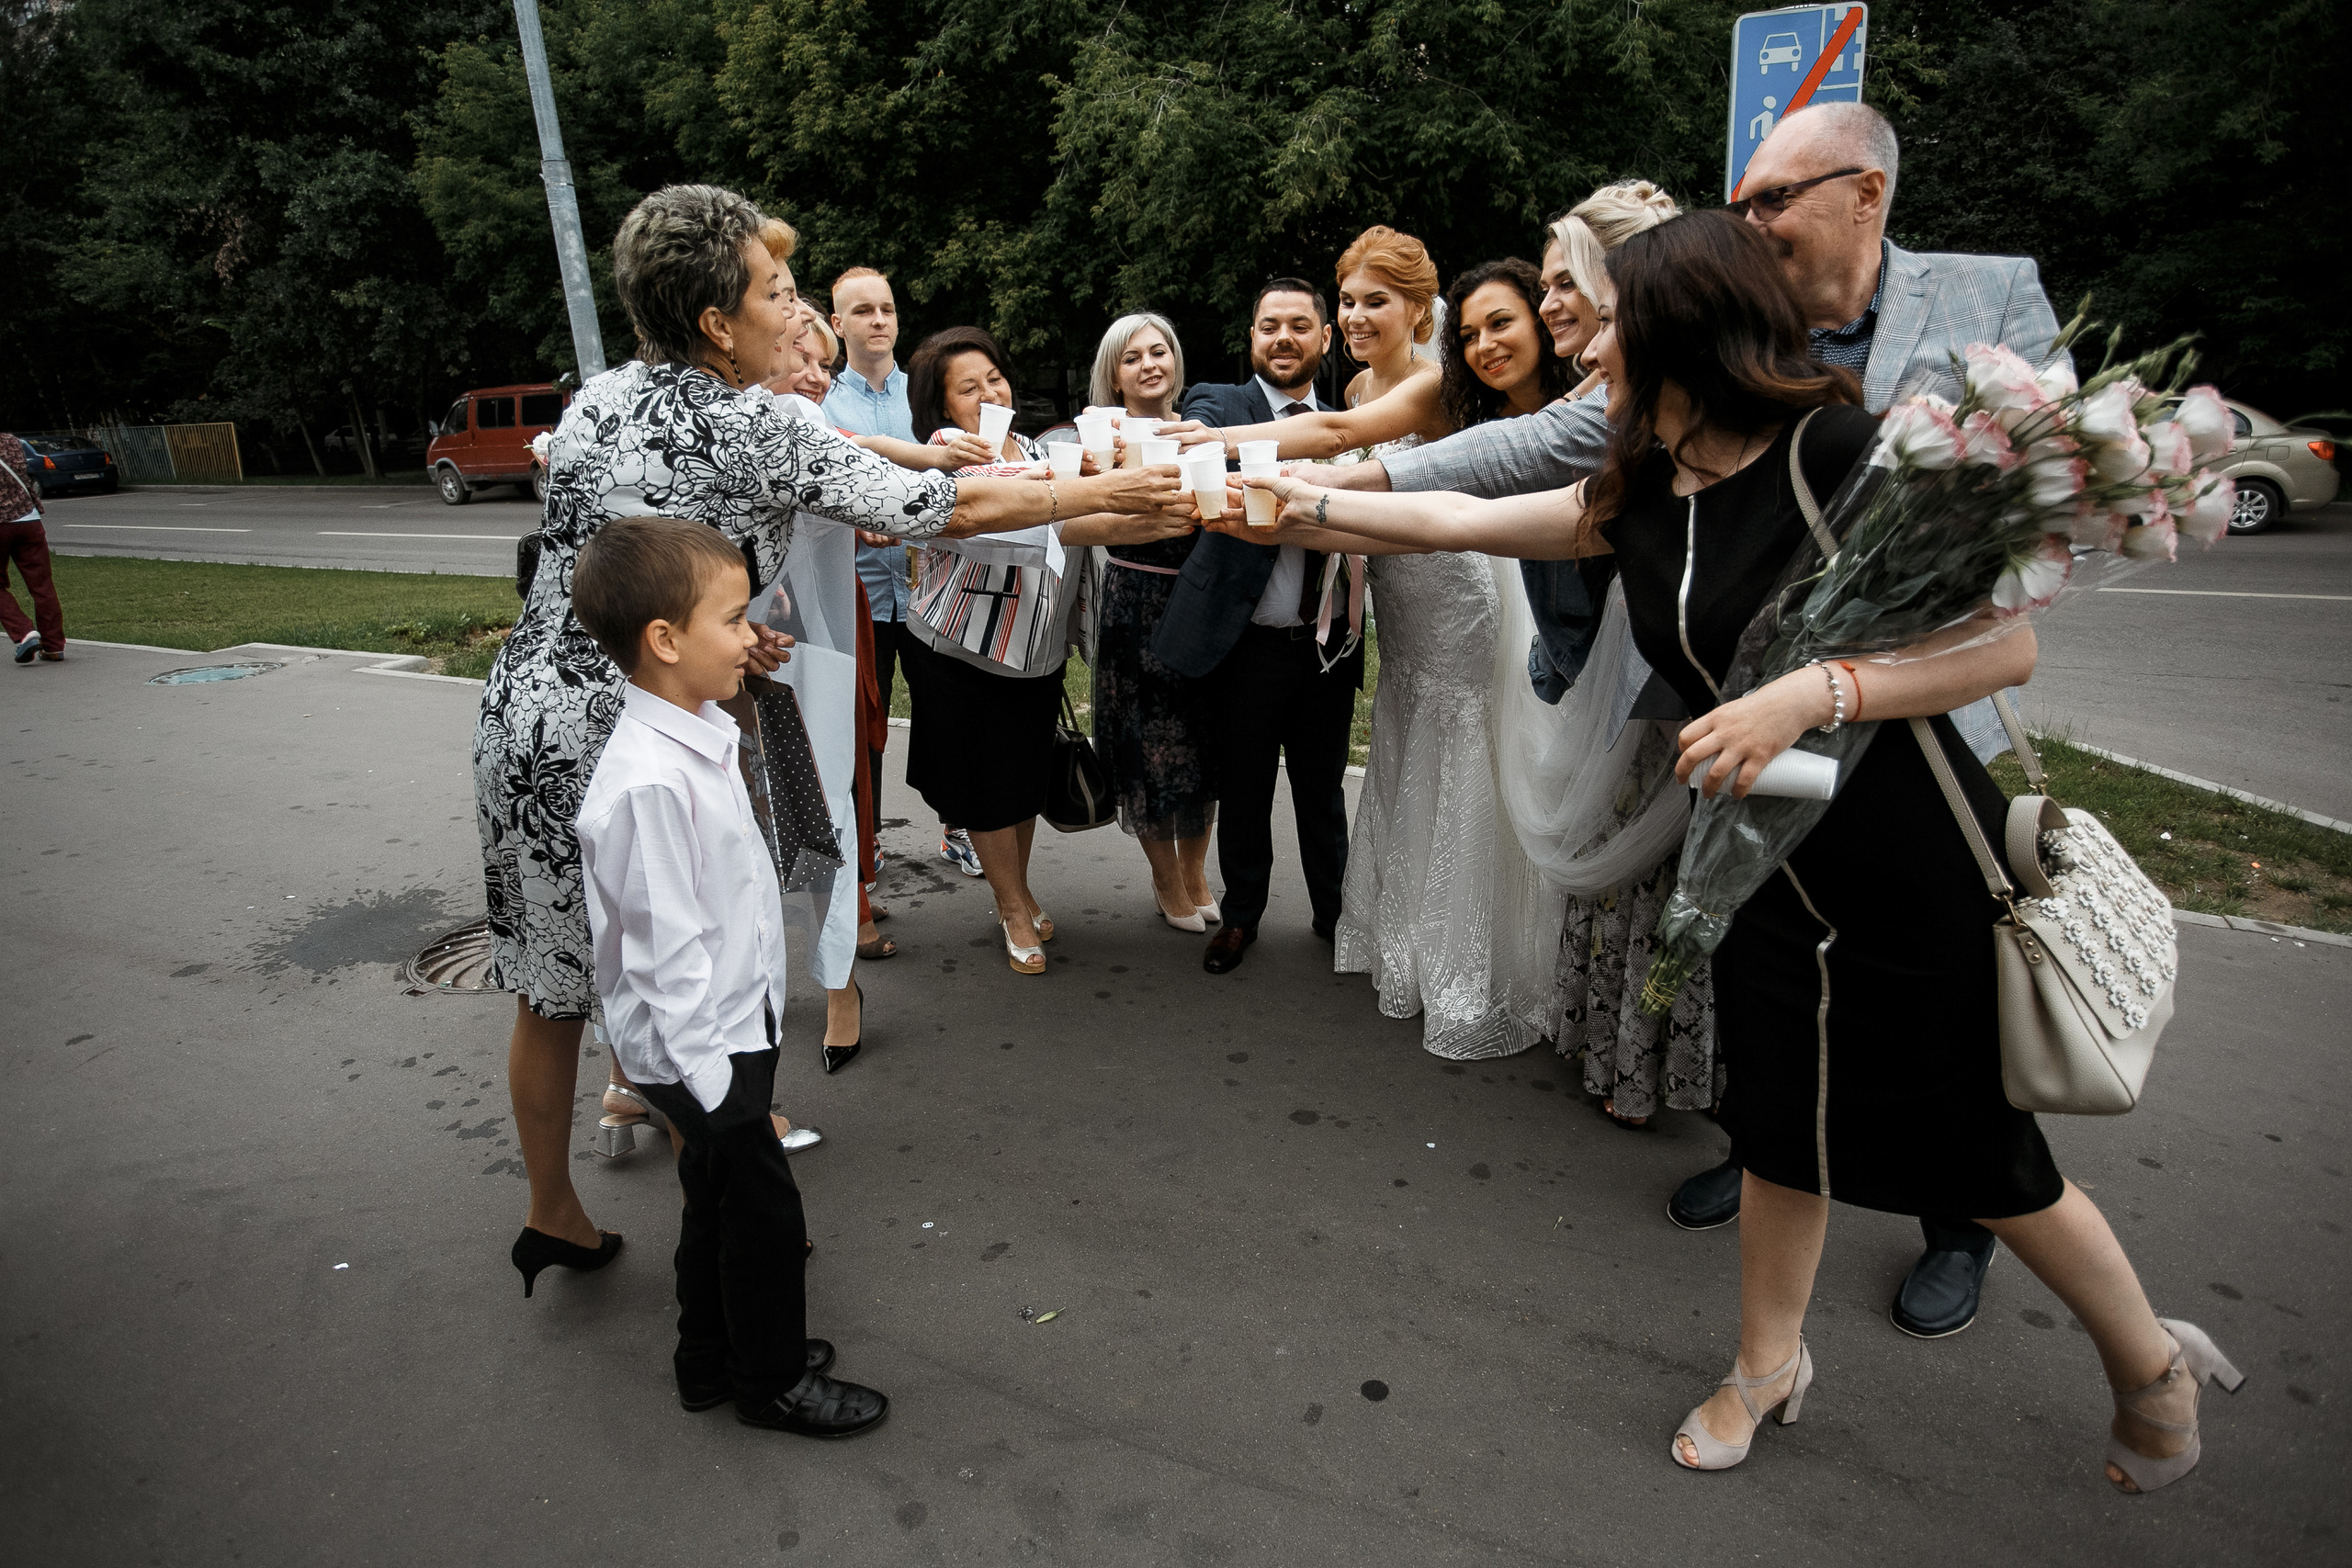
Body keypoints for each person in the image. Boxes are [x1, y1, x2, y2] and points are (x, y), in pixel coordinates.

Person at [1230, 209, 2241, 1495]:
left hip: (1905, 853)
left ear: (1683, 338)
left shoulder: (1842, 450)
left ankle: (2151, 1363)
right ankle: (1767, 1364)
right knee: (1778, 1127)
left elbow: (2003, 647)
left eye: (1605, 332)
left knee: (1980, 1160)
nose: (1582, 355)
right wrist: (1299, 504)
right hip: (1760, 866)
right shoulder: (1643, 483)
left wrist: (1810, 692)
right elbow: (1455, 520)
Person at [1325, 104, 2070, 1337]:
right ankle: (1770, 1306)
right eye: (1748, 204)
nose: (1754, 217)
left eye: (1777, 195)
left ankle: (1973, 1230)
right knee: (1772, 1052)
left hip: (1904, 776)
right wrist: (1300, 492)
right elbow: (1488, 483)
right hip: (1747, 783)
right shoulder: (1659, 463)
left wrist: (1817, 686)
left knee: (1954, 1067)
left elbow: (2018, 587)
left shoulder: (1868, 412)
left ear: (1867, 192)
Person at [475, 183, 1179, 1290]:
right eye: (775, 292)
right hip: (647, 734)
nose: (789, 310)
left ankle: (553, 1208)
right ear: (718, 324)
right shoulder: (749, 419)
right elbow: (939, 515)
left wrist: (731, 630)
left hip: (531, 716)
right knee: (700, 976)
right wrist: (1106, 484)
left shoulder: (604, 397)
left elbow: (612, 561)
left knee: (552, 978)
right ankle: (741, 1217)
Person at [569, 513, 889, 1437]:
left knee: (712, 1206)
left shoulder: (695, 728)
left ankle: (709, 1360)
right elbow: (662, 957)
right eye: (735, 619)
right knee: (762, 1219)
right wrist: (721, 1092)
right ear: (665, 641)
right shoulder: (649, 784)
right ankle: (772, 1380)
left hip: (727, 1028)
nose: (752, 635)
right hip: (700, 1048)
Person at [1322, 231, 1575, 1057]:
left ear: (1417, 311)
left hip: (1456, 590)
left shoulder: (1433, 385)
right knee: (1407, 731)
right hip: (1403, 599)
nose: (1357, 316)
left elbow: (1332, 440)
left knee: (1463, 743)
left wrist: (1215, 451)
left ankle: (1472, 963)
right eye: (1349, 301)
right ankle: (1402, 941)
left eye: (1375, 302)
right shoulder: (1362, 379)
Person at [898, 324, 1198, 973]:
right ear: (943, 405)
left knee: (1024, 779)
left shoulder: (1039, 446)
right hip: (964, 649)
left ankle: (1020, 887)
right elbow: (1038, 512)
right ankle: (1010, 908)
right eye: (968, 387)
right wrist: (1131, 506)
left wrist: (1163, 515)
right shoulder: (948, 452)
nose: (987, 392)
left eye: (994, 378)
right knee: (987, 788)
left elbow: (1075, 520)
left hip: (1035, 650)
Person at [1160, 278, 1363, 974]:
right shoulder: (1220, 404)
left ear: (1325, 338)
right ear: (1252, 336)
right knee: (1243, 786)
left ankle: (1335, 916)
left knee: (1322, 787)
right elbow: (1211, 448)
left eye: (1300, 326)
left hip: (1325, 647)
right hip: (1243, 645)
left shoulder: (1348, 428)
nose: (1284, 338)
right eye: (1270, 325)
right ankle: (1241, 916)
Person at [820, 267, 987, 881]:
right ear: (838, 325)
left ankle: (960, 828)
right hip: (859, 590)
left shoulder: (922, 390)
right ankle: (868, 841)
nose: (878, 320)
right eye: (862, 311)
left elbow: (960, 466)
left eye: (886, 308)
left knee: (948, 713)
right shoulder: (823, 398)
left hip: (933, 587)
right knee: (867, 721)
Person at [1082, 312, 1223, 930]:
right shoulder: (1100, 437)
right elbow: (1076, 523)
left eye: (1159, 351)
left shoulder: (1203, 430)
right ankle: (1166, 879)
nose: (1149, 365)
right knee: (1144, 748)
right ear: (1115, 374)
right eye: (1133, 356)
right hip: (1134, 600)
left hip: (1200, 600)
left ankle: (1196, 872)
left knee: (1202, 743)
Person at [2, 434, 63, 664]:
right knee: (42, 586)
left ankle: (24, 633)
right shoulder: (11, 440)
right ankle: (54, 646)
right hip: (28, 519)